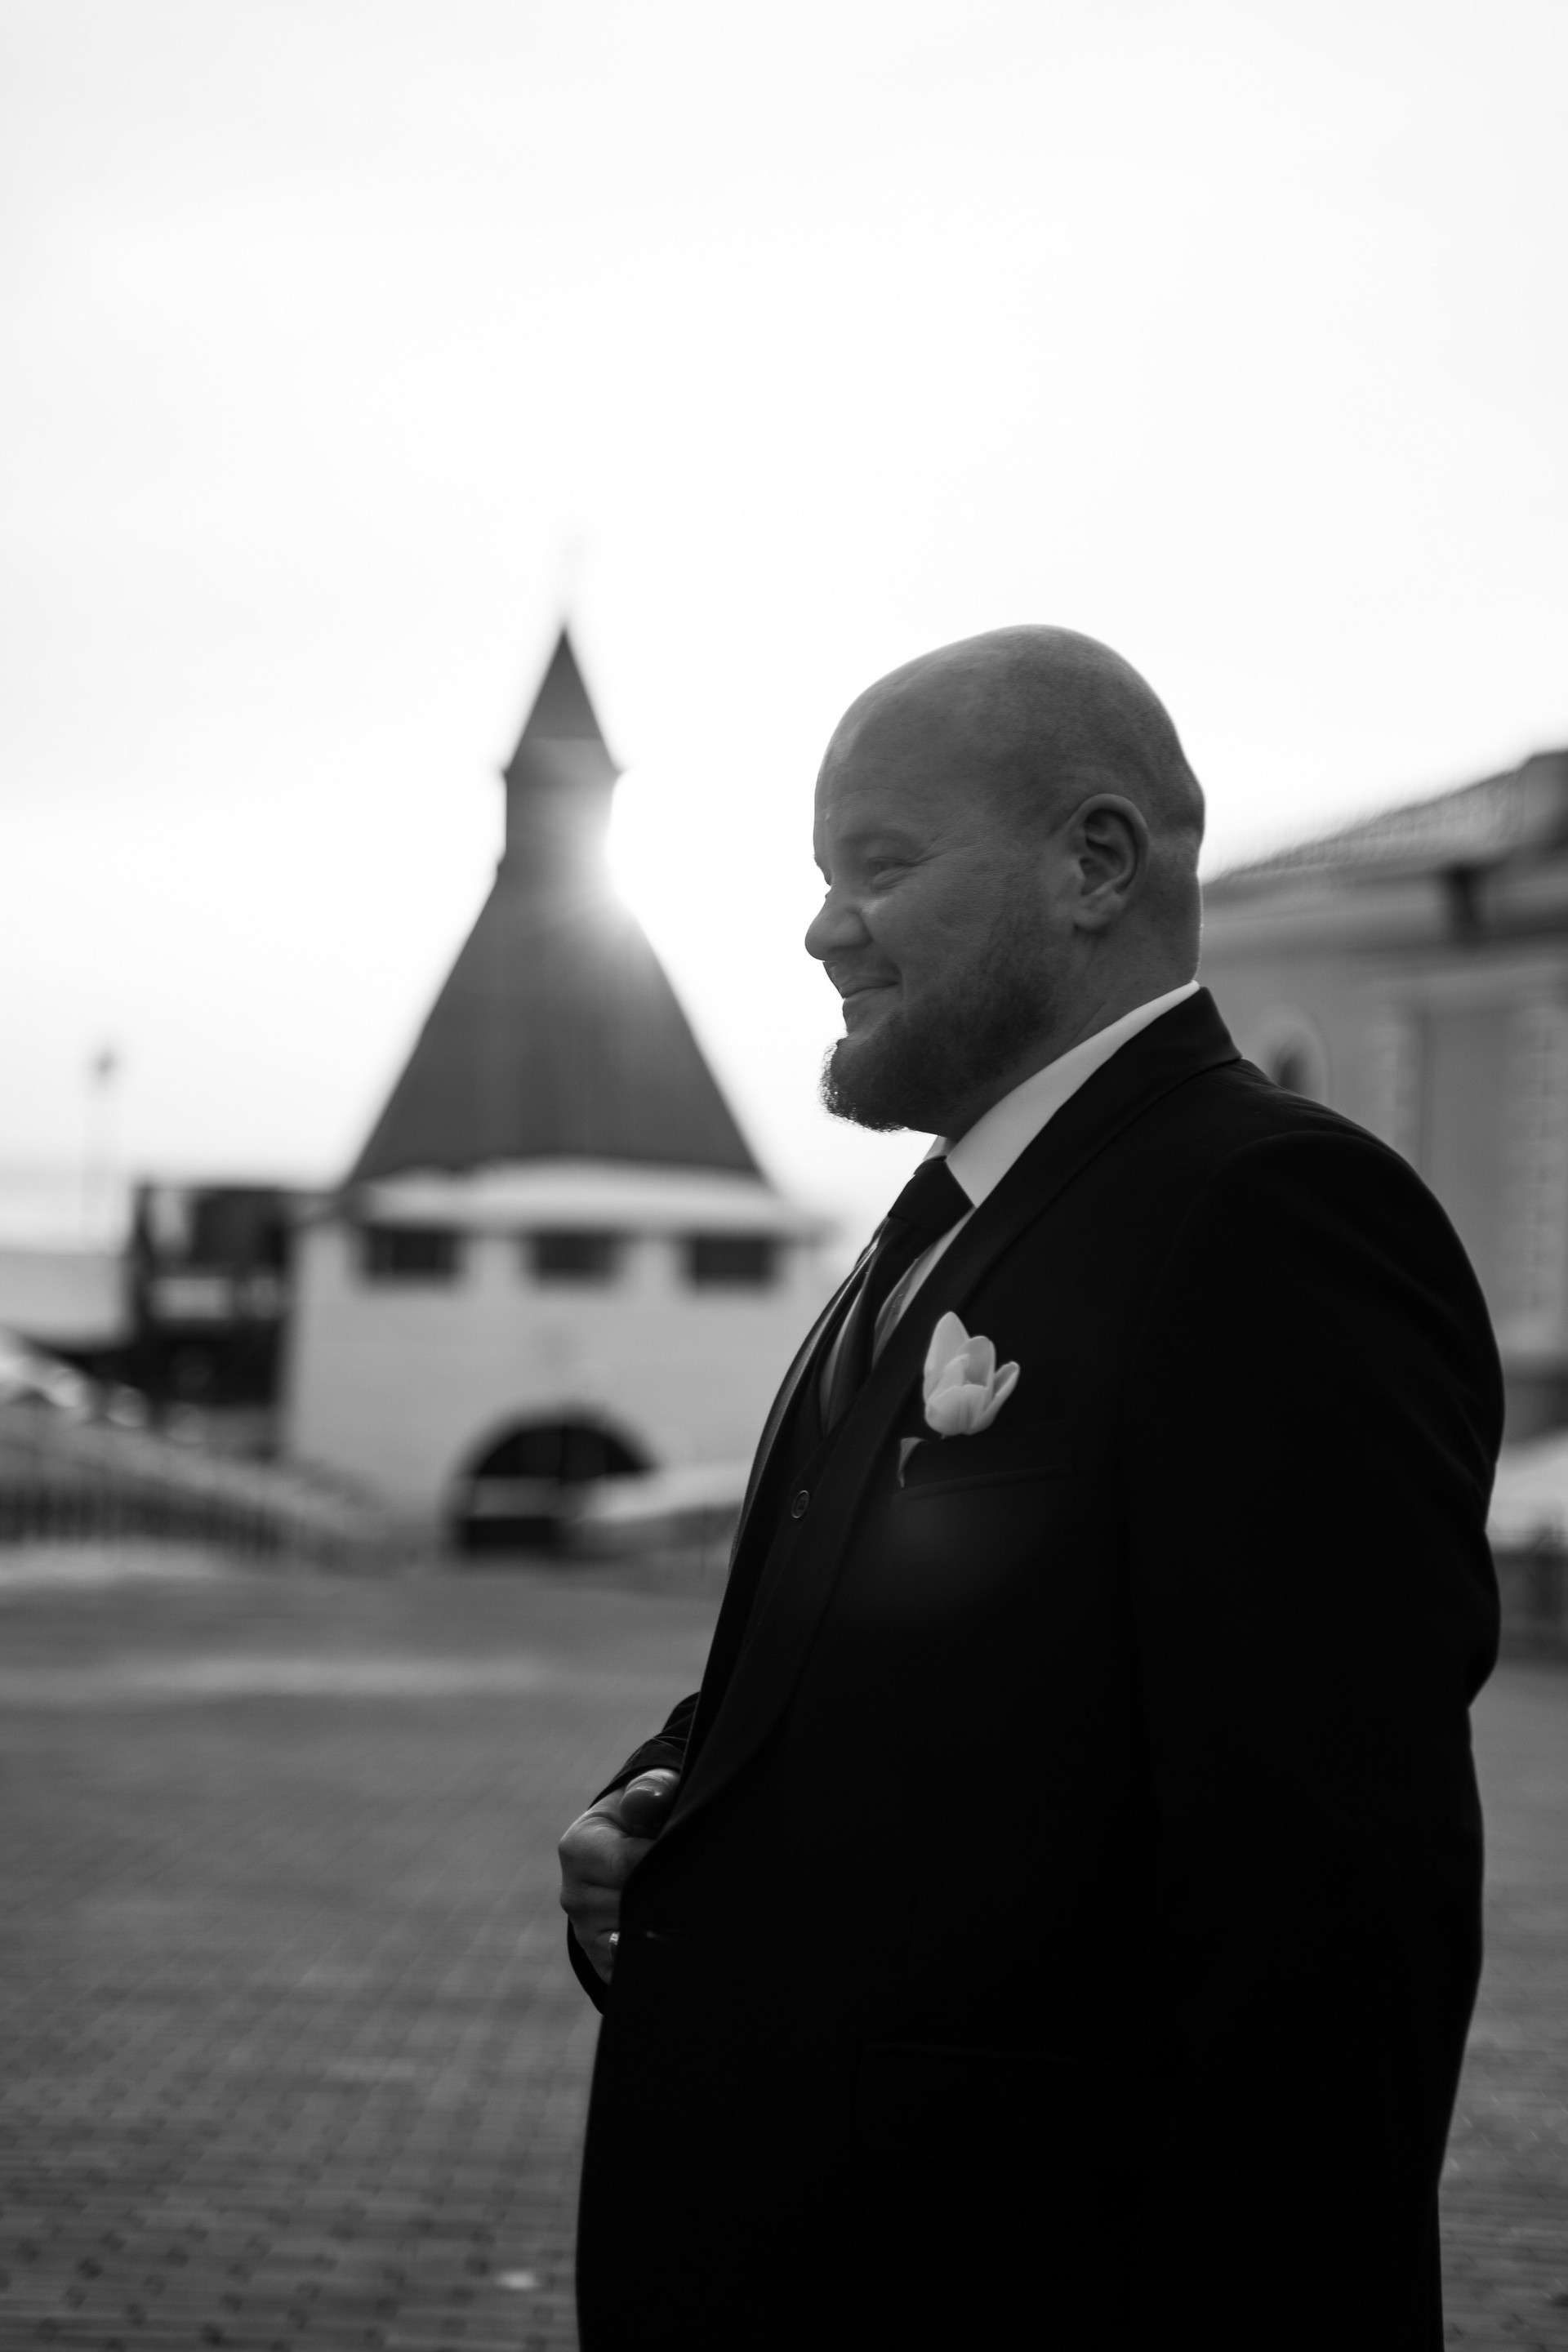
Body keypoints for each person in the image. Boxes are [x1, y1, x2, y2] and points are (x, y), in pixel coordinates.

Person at [559, 626, 1502, 2350]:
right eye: (823, 874)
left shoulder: (1268, 1220)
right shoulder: (936, 1229)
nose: (824, 927)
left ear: (1095, 864)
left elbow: (1330, 1915)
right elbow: (913, 1664)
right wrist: (676, 1799)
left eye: (881, 865)